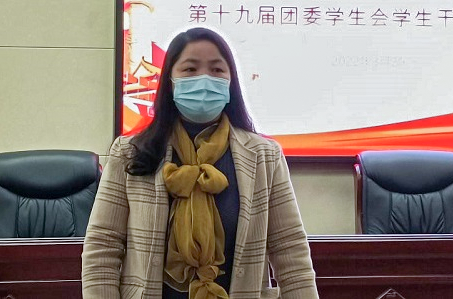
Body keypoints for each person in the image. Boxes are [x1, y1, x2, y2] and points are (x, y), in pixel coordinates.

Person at [82, 27, 319, 299]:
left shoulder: (264, 156)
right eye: (190, 69)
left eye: (217, 70)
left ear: (231, 81)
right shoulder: (131, 152)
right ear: (170, 81)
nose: (204, 79)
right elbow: (103, 247)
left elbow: (290, 250)